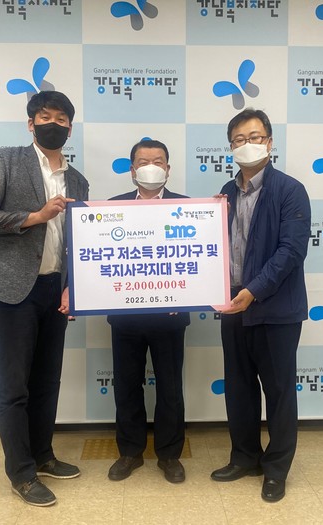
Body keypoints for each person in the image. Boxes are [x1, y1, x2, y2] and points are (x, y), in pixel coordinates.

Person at [0, 91, 89, 507]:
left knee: (47, 381)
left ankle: (43, 455)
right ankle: (21, 473)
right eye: (45, 116)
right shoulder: (6, 160)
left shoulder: (78, 180)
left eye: (61, 118)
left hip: (55, 290)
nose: (53, 123)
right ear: (31, 123)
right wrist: (35, 217)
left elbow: (78, 242)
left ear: (70, 127)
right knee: (15, 385)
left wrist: (73, 286)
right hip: (12, 291)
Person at [210, 109, 311, 503]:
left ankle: (276, 469)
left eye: (254, 137)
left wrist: (253, 291)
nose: (246, 144)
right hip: (232, 305)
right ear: (231, 147)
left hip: (274, 308)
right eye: (238, 139)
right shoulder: (227, 191)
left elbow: (291, 252)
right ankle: (244, 457)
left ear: (269, 142)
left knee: (279, 391)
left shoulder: (290, 190)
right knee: (238, 388)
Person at [106, 139, 190, 484]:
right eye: (144, 161)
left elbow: (199, 260)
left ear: (168, 169)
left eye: (158, 161)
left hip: (170, 317)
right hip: (125, 316)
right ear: (132, 170)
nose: (151, 167)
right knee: (127, 385)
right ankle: (130, 451)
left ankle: (169, 455)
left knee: (170, 388)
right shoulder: (111, 209)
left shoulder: (189, 208)